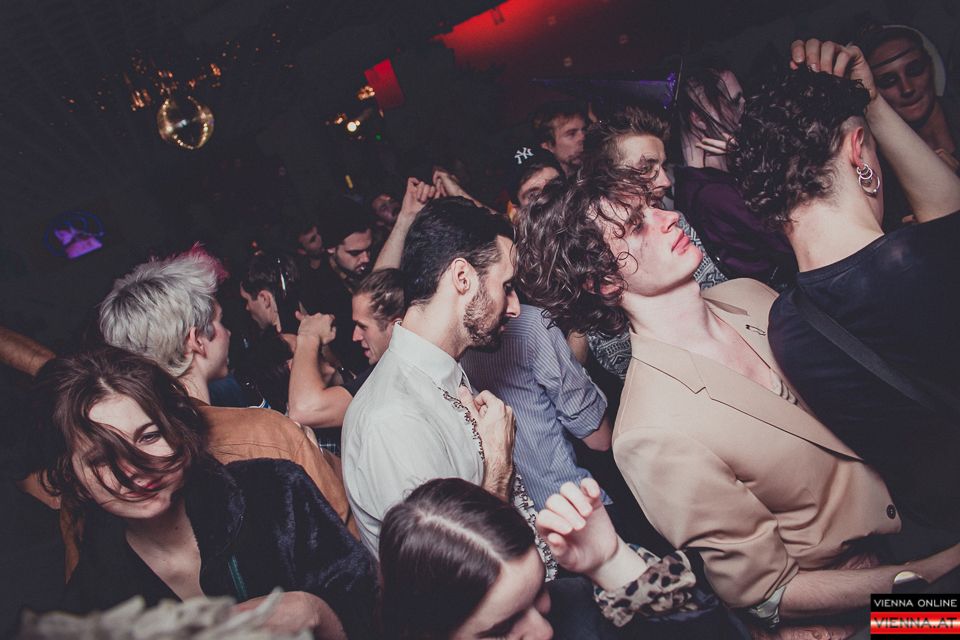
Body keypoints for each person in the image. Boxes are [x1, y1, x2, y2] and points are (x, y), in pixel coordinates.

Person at [516, 166, 960, 636]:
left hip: (924, 522)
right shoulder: (650, 432)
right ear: (604, 280)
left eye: (654, 206)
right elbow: (769, 594)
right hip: (862, 608)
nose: (669, 218)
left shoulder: (750, 296)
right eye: (636, 225)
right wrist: (924, 580)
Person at [733, 39, 960, 532]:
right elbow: (948, 209)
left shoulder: (786, 325)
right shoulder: (920, 262)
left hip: (932, 535)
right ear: (859, 152)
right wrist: (872, 104)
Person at [34, 347, 377, 638]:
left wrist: (313, 611)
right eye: (102, 459)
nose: (134, 469)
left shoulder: (277, 491)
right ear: (73, 477)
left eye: (149, 436)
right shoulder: (90, 604)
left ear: (177, 429)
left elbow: (372, 614)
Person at [98, 248, 355, 532]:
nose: (228, 332)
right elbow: (341, 524)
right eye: (219, 322)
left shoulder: (130, 454)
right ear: (196, 341)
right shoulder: (264, 431)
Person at [342, 197, 520, 555]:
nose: (514, 307)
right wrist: (498, 469)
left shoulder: (442, 370)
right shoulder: (393, 419)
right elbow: (454, 570)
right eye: (506, 287)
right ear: (462, 278)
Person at [380, 477, 729, 639]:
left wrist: (611, 561)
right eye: (501, 631)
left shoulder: (575, 606)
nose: (543, 631)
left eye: (538, 594)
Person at [673, 66, 798, 289]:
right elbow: (793, 240)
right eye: (733, 101)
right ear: (699, 118)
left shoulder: (696, 180)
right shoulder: (713, 193)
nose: (744, 106)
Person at [287, 269, 405, 433]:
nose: (355, 336)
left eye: (363, 326)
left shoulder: (396, 374)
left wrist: (308, 335)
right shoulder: (394, 367)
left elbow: (304, 410)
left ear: (396, 327)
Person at [300, 197, 375, 375]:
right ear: (331, 248)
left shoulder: (375, 264)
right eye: (355, 253)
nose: (366, 258)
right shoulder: (317, 289)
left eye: (368, 249)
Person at [532, 101, 589, 177]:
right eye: (571, 134)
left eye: (584, 130)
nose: (583, 137)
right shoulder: (541, 181)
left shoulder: (596, 173)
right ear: (548, 146)